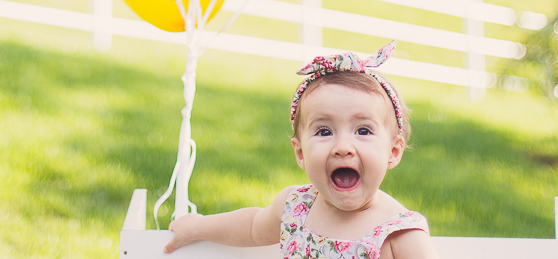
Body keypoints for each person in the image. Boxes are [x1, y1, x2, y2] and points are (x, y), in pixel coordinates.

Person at [164, 41, 434, 258]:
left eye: (363, 131)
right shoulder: (296, 208)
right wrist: (197, 227)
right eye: (324, 131)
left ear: (393, 152)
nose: (342, 148)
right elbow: (251, 227)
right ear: (301, 153)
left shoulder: (400, 233)